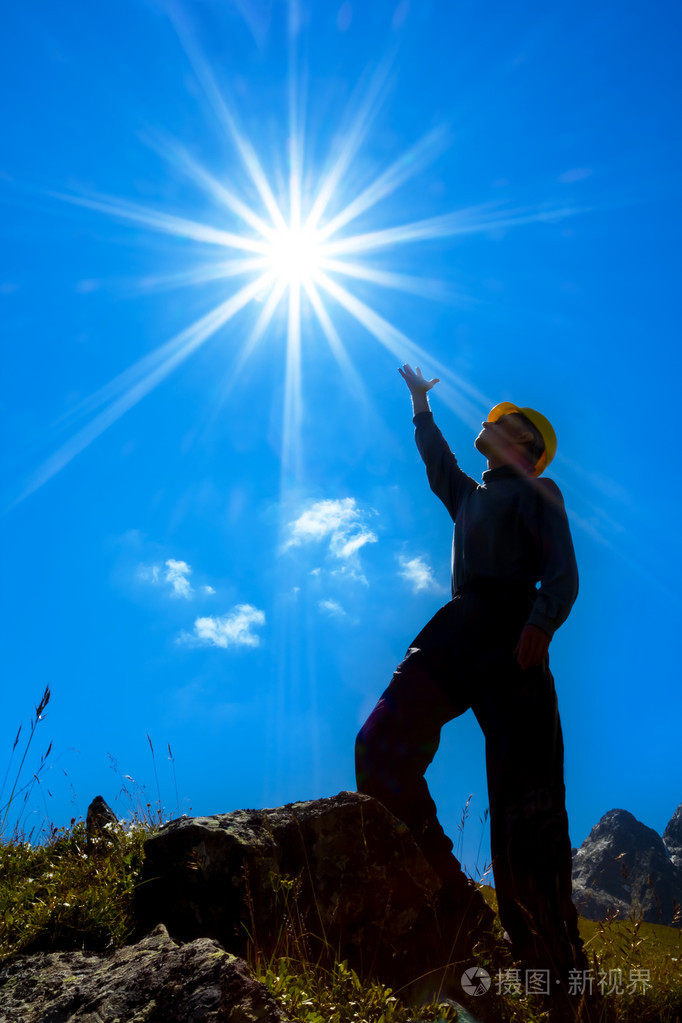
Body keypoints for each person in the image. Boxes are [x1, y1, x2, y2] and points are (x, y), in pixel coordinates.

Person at [355, 363, 586, 979]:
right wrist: (419, 407)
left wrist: (541, 621)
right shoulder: (471, 495)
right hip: (457, 628)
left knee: (526, 806)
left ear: (527, 447)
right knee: (378, 746)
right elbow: (438, 464)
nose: (488, 424)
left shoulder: (541, 492)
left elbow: (562, 569)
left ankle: (555, 975)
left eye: (503, 423)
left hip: (515, 633)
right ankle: (457, 907)